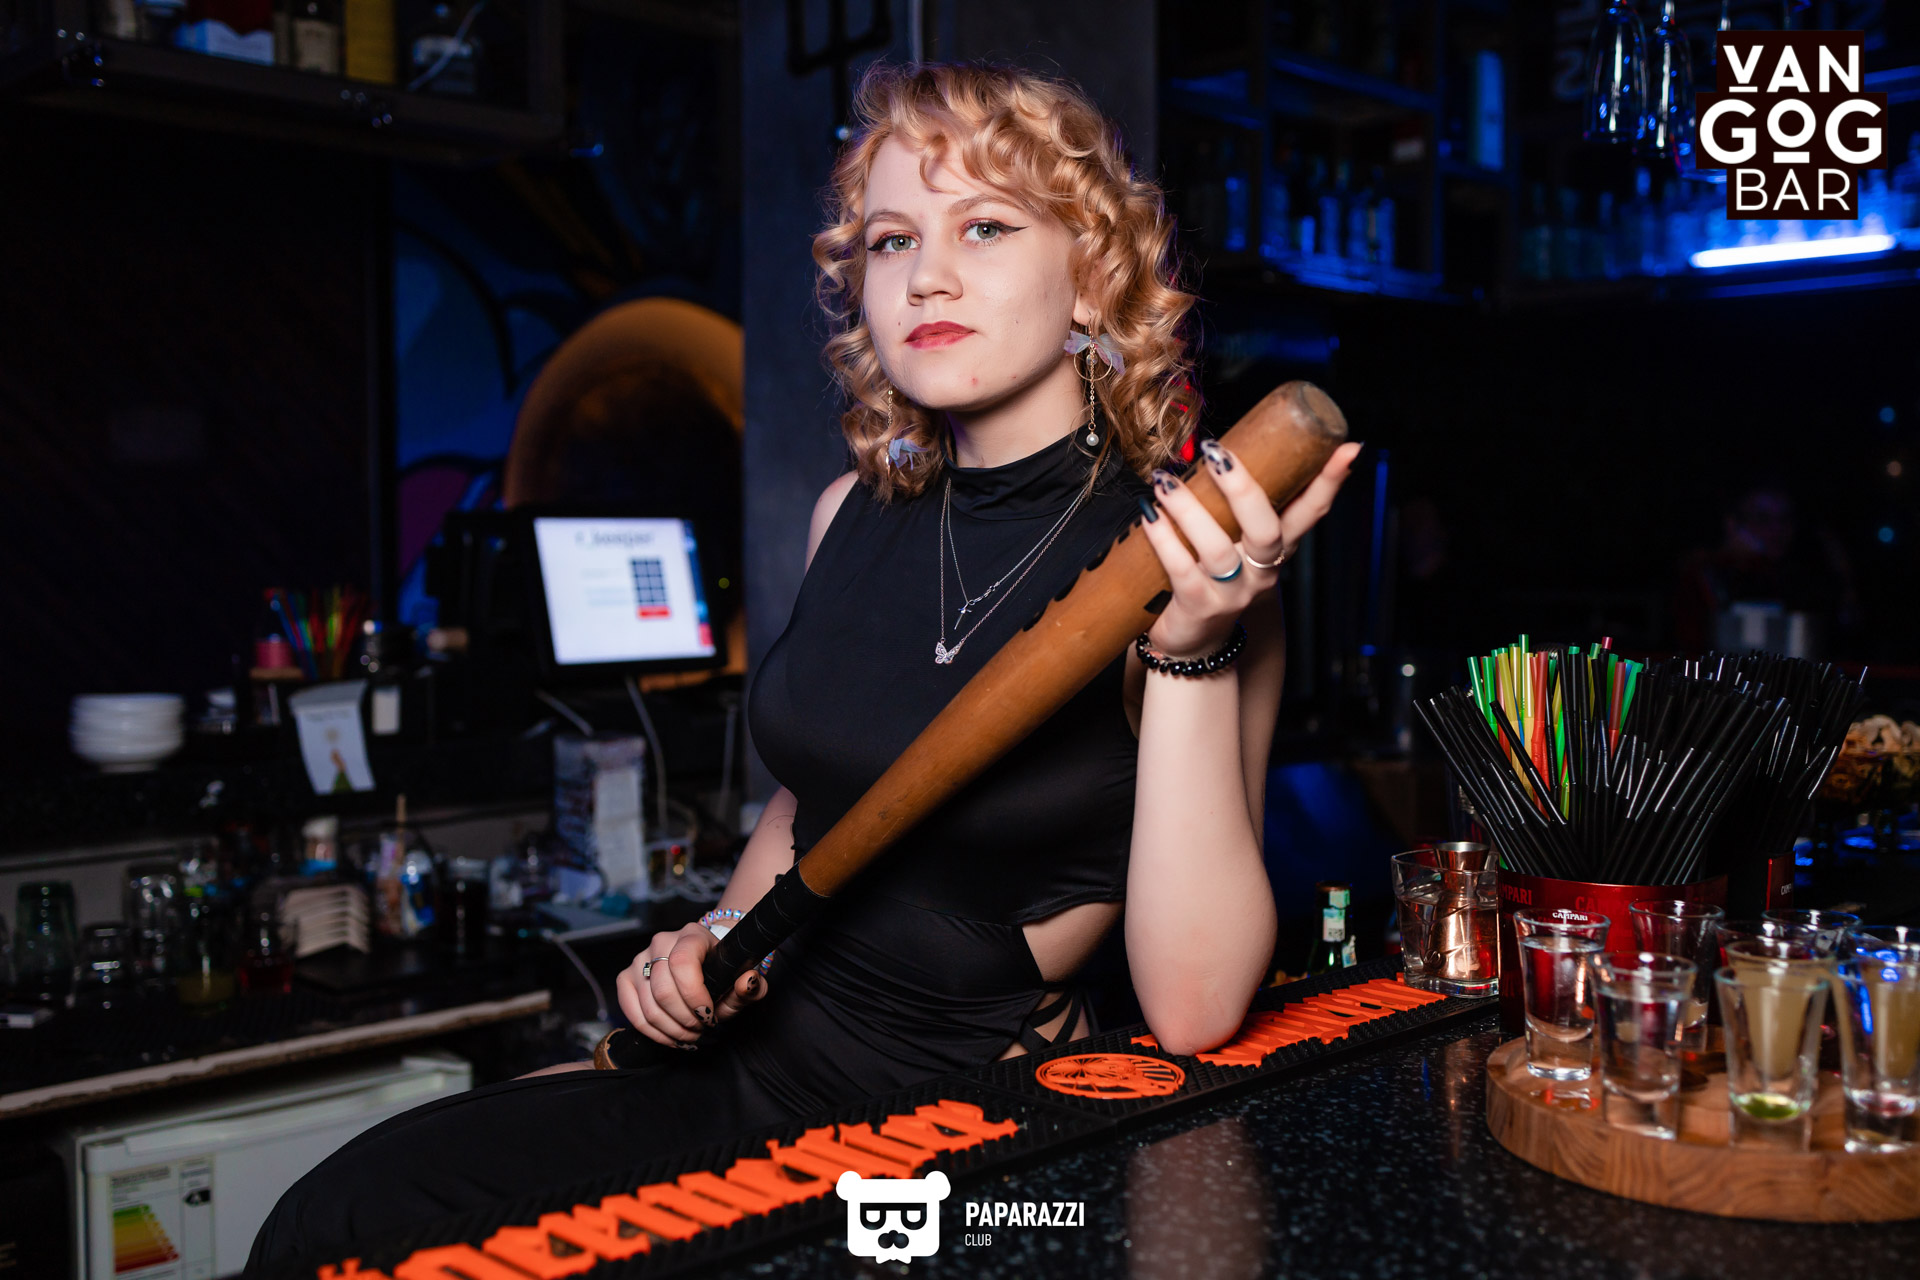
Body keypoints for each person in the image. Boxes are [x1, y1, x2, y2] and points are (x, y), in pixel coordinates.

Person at [247, 59, 1359, 1272]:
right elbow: (814, 796)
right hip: (758, 1057)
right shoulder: (850, 514)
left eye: (985, 226)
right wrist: (718, 939)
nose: (926, 274)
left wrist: (1194, 652)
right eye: (892, 240)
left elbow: (1195, 1010)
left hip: (962, 1127)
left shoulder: (1185, 565)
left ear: (1092, 276)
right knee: (340, 1217)